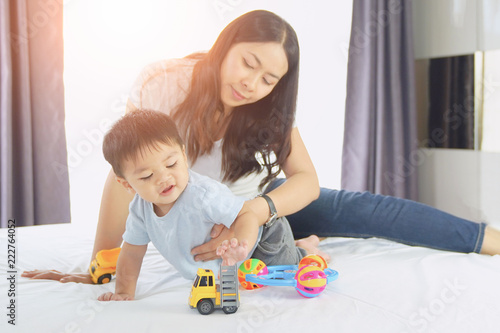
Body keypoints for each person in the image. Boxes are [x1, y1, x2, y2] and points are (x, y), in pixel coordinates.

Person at [22, 9, 500, 284]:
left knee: (371, 211)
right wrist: (104, 265)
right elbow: (125, 175)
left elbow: (306, 180)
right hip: (214, 218)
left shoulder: (270, 110)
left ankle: (488, 239)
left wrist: (258, 210)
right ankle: (302, 246)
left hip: (264, 205)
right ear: (225, 45)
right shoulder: (163, 83)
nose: (252, 84)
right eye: (248, 63)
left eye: (269, 78)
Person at [96, 110, 326, 301]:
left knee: (284, 266)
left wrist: (242, 246)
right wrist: (124, 292)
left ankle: (307, 248)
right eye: (147, 176)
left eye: (171, 164)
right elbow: (132, 252)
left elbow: (247, 214)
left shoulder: (203, 195)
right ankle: (302, 241)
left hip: (262, 242)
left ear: (184, 156)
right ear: (126, 184)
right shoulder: (140, 209)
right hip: (228, 265)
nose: (164, 178)